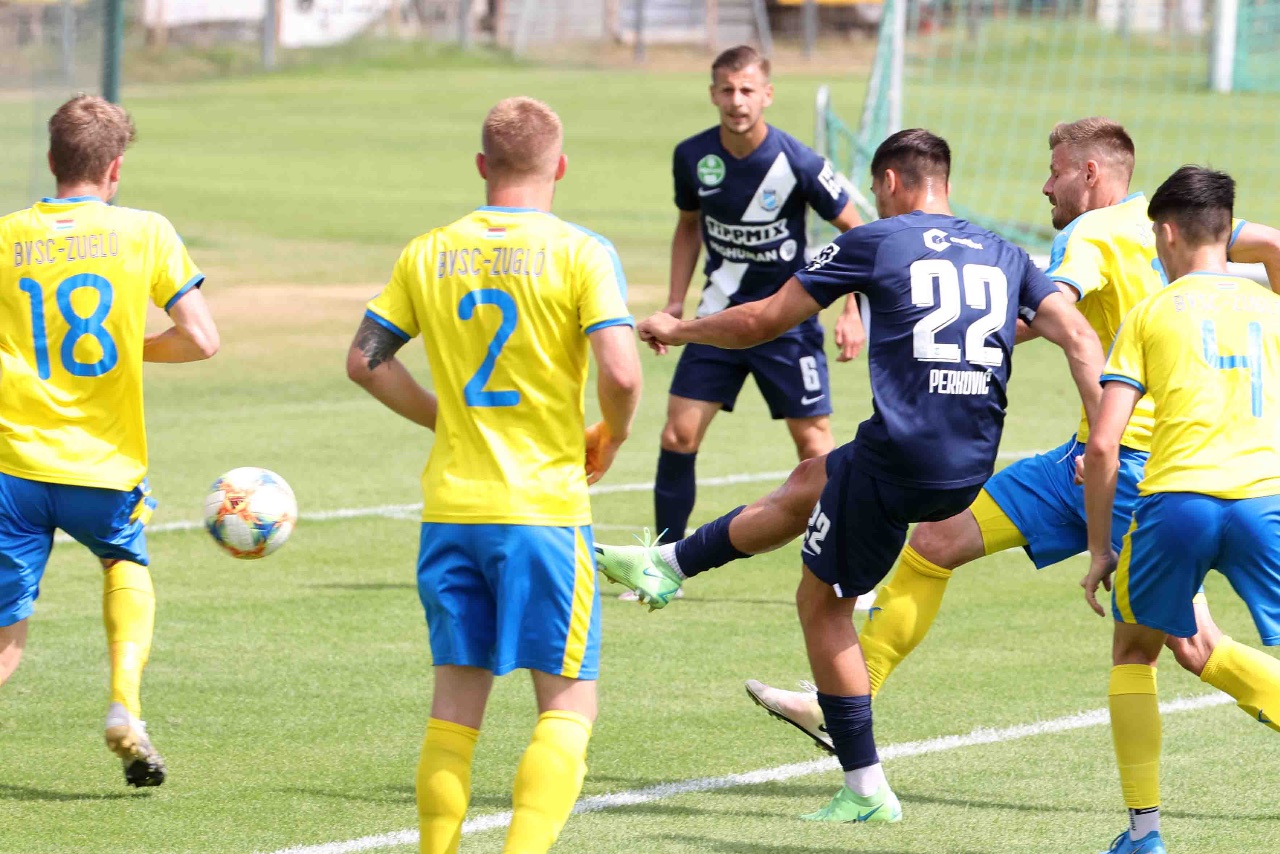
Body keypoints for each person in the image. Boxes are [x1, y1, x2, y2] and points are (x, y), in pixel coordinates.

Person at [672, 117, 1280, 752]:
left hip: (1132, 466)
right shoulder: (1174, 223)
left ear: (1090, 172)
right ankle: (842, 702)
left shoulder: (1090, 233)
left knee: (1192, 644)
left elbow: (1044, 314)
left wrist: (939, 326)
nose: (1046, 186)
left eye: (1056, 171)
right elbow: (1272, 245)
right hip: (1084, 460)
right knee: (936, 540)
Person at [604, 129, 1104, 823]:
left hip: (903, 457)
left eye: (875, 190)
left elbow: (763, 321)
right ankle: (668, 564)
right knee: (812, 476)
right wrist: (1101, 436)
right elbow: (1080, 337)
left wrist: (680, 329)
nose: (874, 201)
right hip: (970, 461)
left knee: (822, 605)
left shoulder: (877, 241)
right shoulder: (1004, 251)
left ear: (893, 182)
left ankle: (866, 789)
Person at [346, 96, 641, 854]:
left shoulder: (428, 251)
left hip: (452, 513)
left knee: (453, 712)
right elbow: (621, 372)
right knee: (568, 707)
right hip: (543, 512)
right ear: (561, 166)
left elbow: (366, 361)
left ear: (482, 165)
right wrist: (610, 436)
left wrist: (446, 418)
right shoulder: (581, 251)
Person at [0, 95, 218, 786]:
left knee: (6, 636)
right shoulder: (146, 231)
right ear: (115, 168)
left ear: (50, 160)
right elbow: (202, 340)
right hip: (102, 466)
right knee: (124, 560)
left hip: (13, 467)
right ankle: (125, 703)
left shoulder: (6, 237)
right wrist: (129, 347)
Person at [1082, 165, 1280, 854]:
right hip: (1265, 503)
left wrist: (1100, 548)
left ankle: (1144, 836)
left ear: (1166, 234)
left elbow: (1103, 444)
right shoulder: (1272, 309)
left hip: (1177, 504)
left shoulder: (1151, 312)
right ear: (1226, 232)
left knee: (1135, 653)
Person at [650, 44, 863, 559]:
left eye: (747, 90)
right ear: (712, 94)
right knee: (678, 435)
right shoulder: (692, 157)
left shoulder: (799, 161)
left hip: (786, 323)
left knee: (816, 448)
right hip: (717, 320)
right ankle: (660, 563)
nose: (737, 101)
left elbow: (857, 232)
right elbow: (687, 226)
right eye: (727, 90)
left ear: (767, 94)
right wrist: (676, 301)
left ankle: (843, 565)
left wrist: (852, 308)